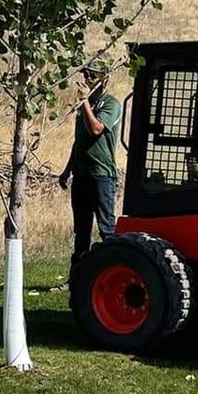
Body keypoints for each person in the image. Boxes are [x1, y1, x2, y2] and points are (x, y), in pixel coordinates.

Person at [58, 65, 122, 270]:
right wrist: (68, 170)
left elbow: (96, 129)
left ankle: (113, 270)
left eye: (92, 76)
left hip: (102, 176)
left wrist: (84, 101)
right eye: (86, 75)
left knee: (106, 228)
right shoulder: (82, 107)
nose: (87, 79)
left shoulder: (111, 104)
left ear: (104, 81)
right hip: (81, 175)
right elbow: (79, 141)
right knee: (81, 229)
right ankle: (77, 275)